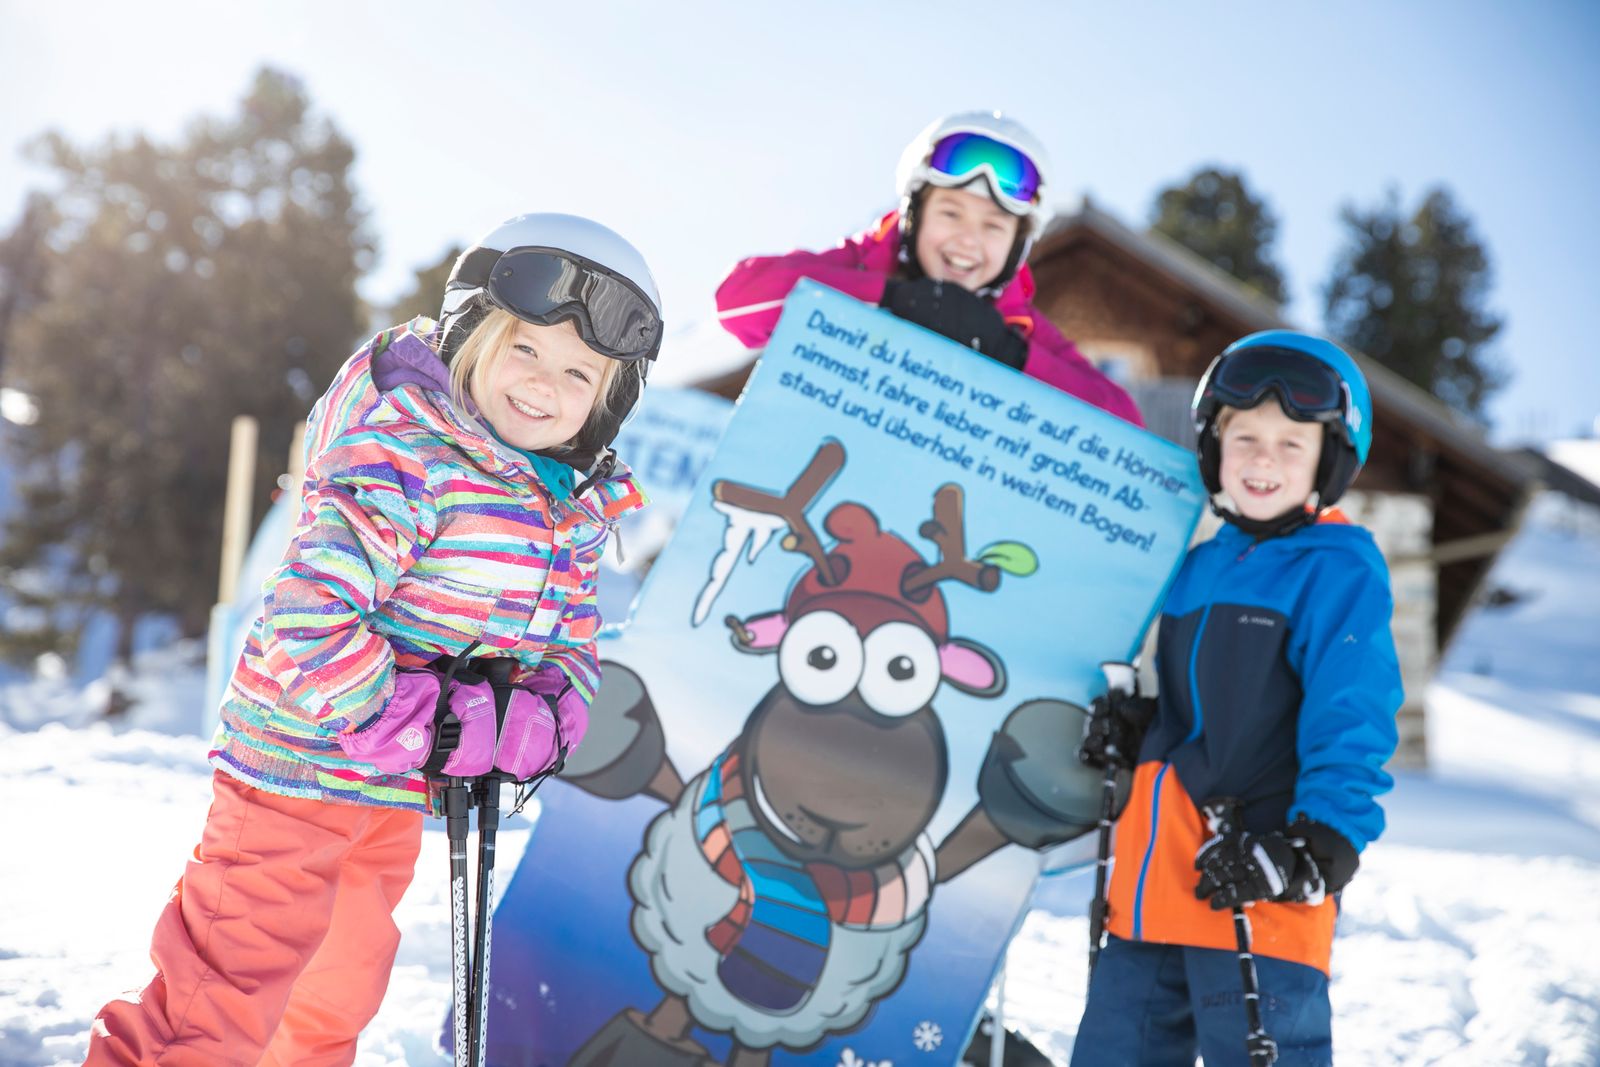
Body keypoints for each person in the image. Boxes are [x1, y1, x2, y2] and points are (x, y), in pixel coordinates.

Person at [84, 213, 663, 1065]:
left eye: (578, 372)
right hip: (296, 773)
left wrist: (544, 714)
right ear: (472, 338)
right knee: (225, 992)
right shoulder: (406, 453)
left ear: (605, 401)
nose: (545, 384)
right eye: (526, 349)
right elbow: (307, 610)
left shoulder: (566, 512)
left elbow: (571, 642)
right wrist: (410, 717)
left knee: (335, 995)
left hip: (388, 796)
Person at [1073, 330, 1403, 1065]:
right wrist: (1140, 728)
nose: (1263, 459)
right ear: (1212, 448)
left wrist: (1315, 847)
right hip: (1152, 889)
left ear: (1330, 460)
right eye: (1245, 436)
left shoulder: (1336, 571)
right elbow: (1204, 711)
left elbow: (1352, 717)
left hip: (1255, 886)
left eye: (1292, 444)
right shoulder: (1196, 568)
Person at [714, 110, 1143, 425]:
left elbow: (1126, 428)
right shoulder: (864, 263)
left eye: (994, 226)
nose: (968, 240)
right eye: (951, 214)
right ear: (913, 216)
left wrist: (1007, 352)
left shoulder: (1017, 328)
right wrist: (888, 297)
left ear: (1017, 247)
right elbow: (738, 305)